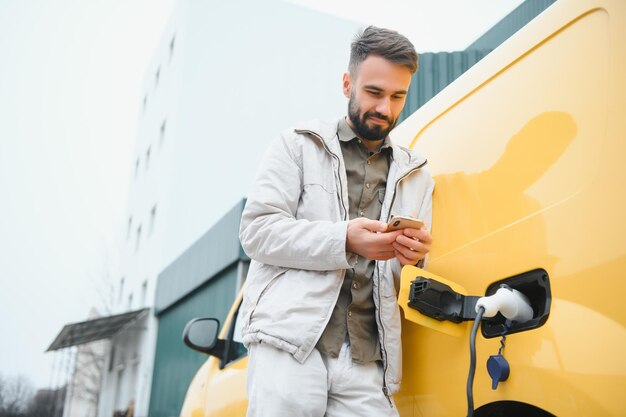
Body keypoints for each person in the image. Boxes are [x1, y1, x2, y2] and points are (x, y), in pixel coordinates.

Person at [239, 26, 434, 417]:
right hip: (289, 342)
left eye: (398, 96)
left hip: (367, 359)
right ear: (347, 83)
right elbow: (256, 232)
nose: (385, 109)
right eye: (374, 93)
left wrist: (415, 258)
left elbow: (405, 274)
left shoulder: (418, 174)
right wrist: (345, 238)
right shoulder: (295, 144)